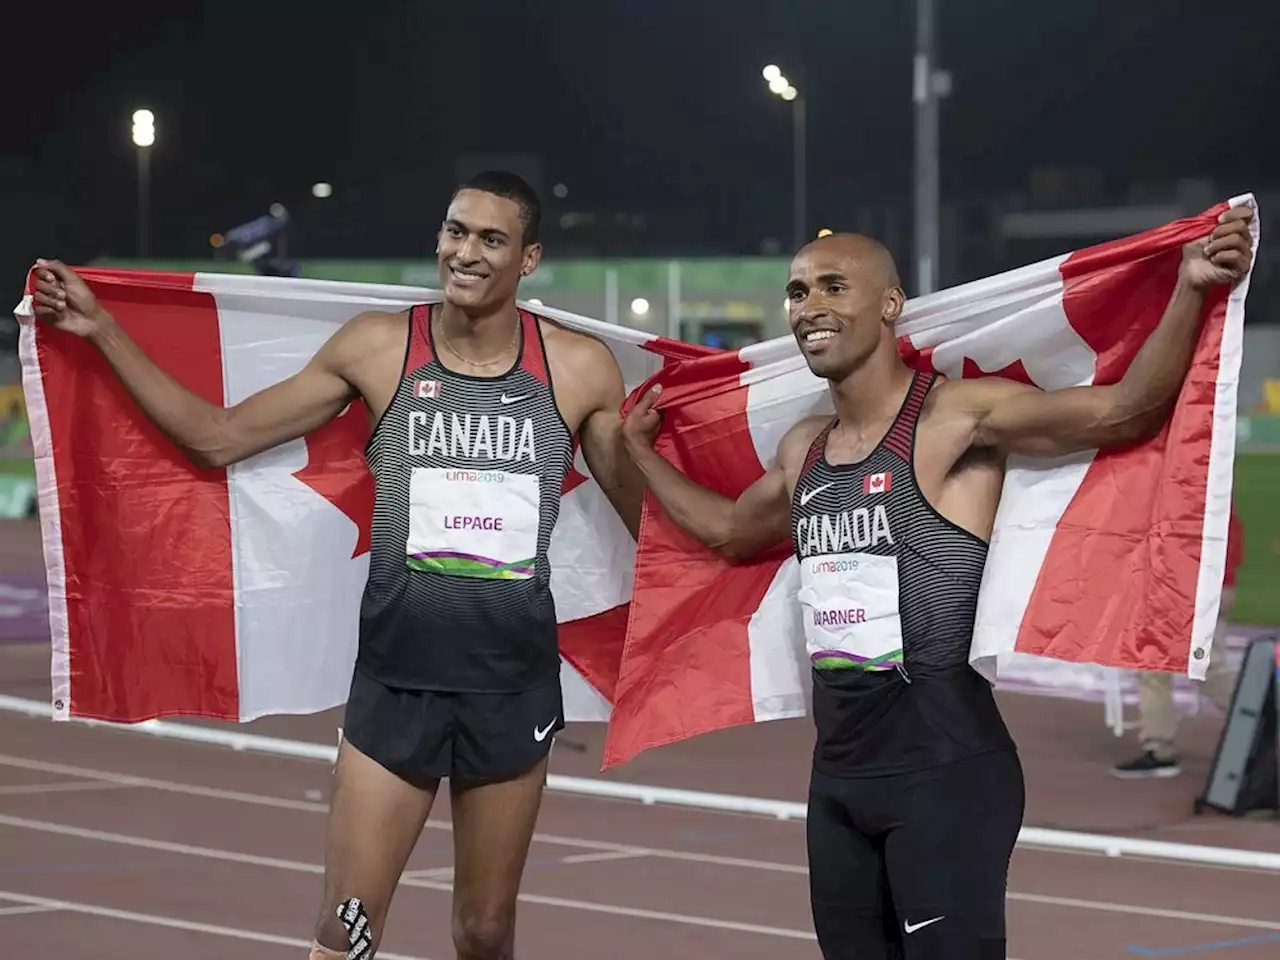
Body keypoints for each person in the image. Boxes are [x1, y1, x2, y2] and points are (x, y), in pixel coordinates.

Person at [30, 170, 644, 960]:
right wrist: (103, 328)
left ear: (528, 259)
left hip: (511, 689)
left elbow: (645, 518)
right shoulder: (380, 347)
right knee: (346, 929)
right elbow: (217, 437)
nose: (466, 251)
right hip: (396, 685)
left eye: (492, 239)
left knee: (486, 932)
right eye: (456, 230)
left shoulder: (579, 369)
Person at [621, 209, 1254, 960]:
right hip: (839, 784)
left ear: (889, 305)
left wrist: (1189, 286)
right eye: (796, 292)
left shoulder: (951, 417)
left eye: (831, 286)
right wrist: (639, 452)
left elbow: (1123, 412)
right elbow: (728, 532)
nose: (808, 307)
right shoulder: (805, 451)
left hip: (947, 775)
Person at [1112, 502, 1246, 779]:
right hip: (1189, 587)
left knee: (1204, 669)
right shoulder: (1206, 489)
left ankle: (1261, 720)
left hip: (1194, 589)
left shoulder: (1196, 491)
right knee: (1155, 668)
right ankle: (1159, 747)